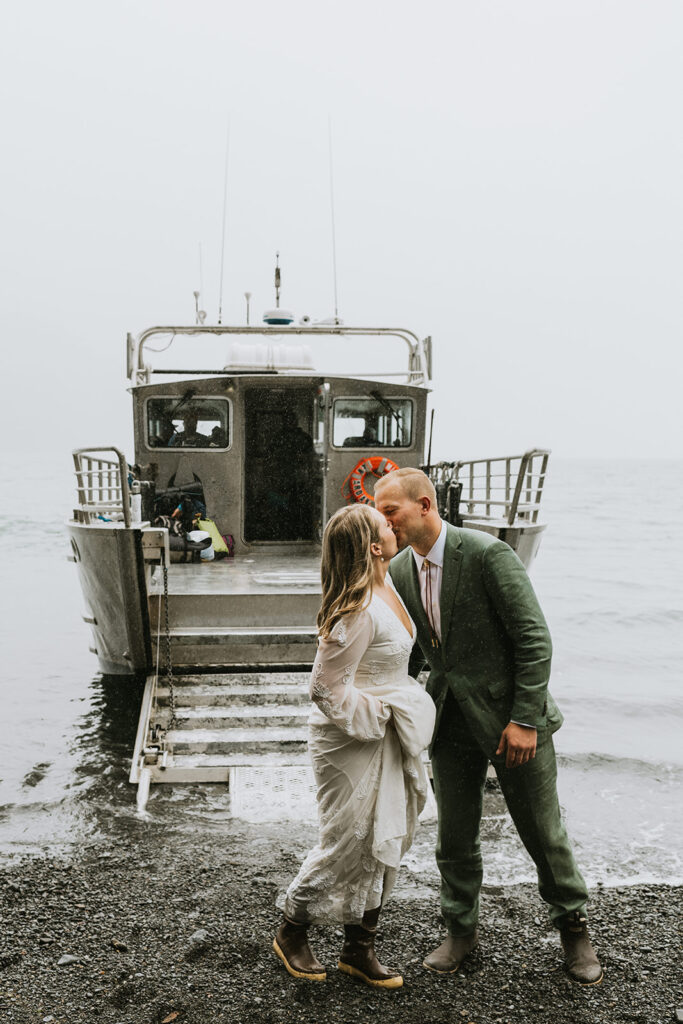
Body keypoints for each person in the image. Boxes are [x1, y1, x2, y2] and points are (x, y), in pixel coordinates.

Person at [374, 467, 603, 986]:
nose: (383, 523)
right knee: (454, 833)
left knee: (542, 832)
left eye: (391, 512)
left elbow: (534, 641)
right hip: (449, 720)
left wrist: (524, 719)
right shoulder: (401, 571)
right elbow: (411, 651)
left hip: (512, 722)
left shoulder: (486, 554)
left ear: (425, 505)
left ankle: (573, 929)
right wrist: (397, 708)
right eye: (379, 514)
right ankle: (460, 930)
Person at [274, 504, 436, 989]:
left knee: (386, 836)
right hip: (352, 738)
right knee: (348, 841)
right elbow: (324, 689)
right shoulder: (357, 610)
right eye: (386, 524)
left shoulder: (391, 588)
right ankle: (292, 928)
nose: (394, 525)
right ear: (372, 546)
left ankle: (358, 948)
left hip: (390, 733)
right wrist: (383, 715)